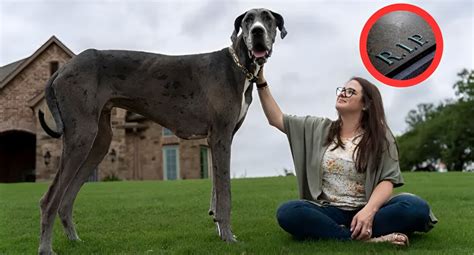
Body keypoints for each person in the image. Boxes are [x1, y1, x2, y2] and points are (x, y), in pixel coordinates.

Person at [256, 67, 437, 246]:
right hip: (330, 211)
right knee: (289, 212)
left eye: (351, 92)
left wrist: (369, 211)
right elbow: (276, 118)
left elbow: (387, 180)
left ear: (365, 104)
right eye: (342, 90)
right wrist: (260, 81)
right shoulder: (318, 128)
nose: (343, 93)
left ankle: (340, 232)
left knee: (416, 207)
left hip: (369, 210)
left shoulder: (380, 136)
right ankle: (364, 239)